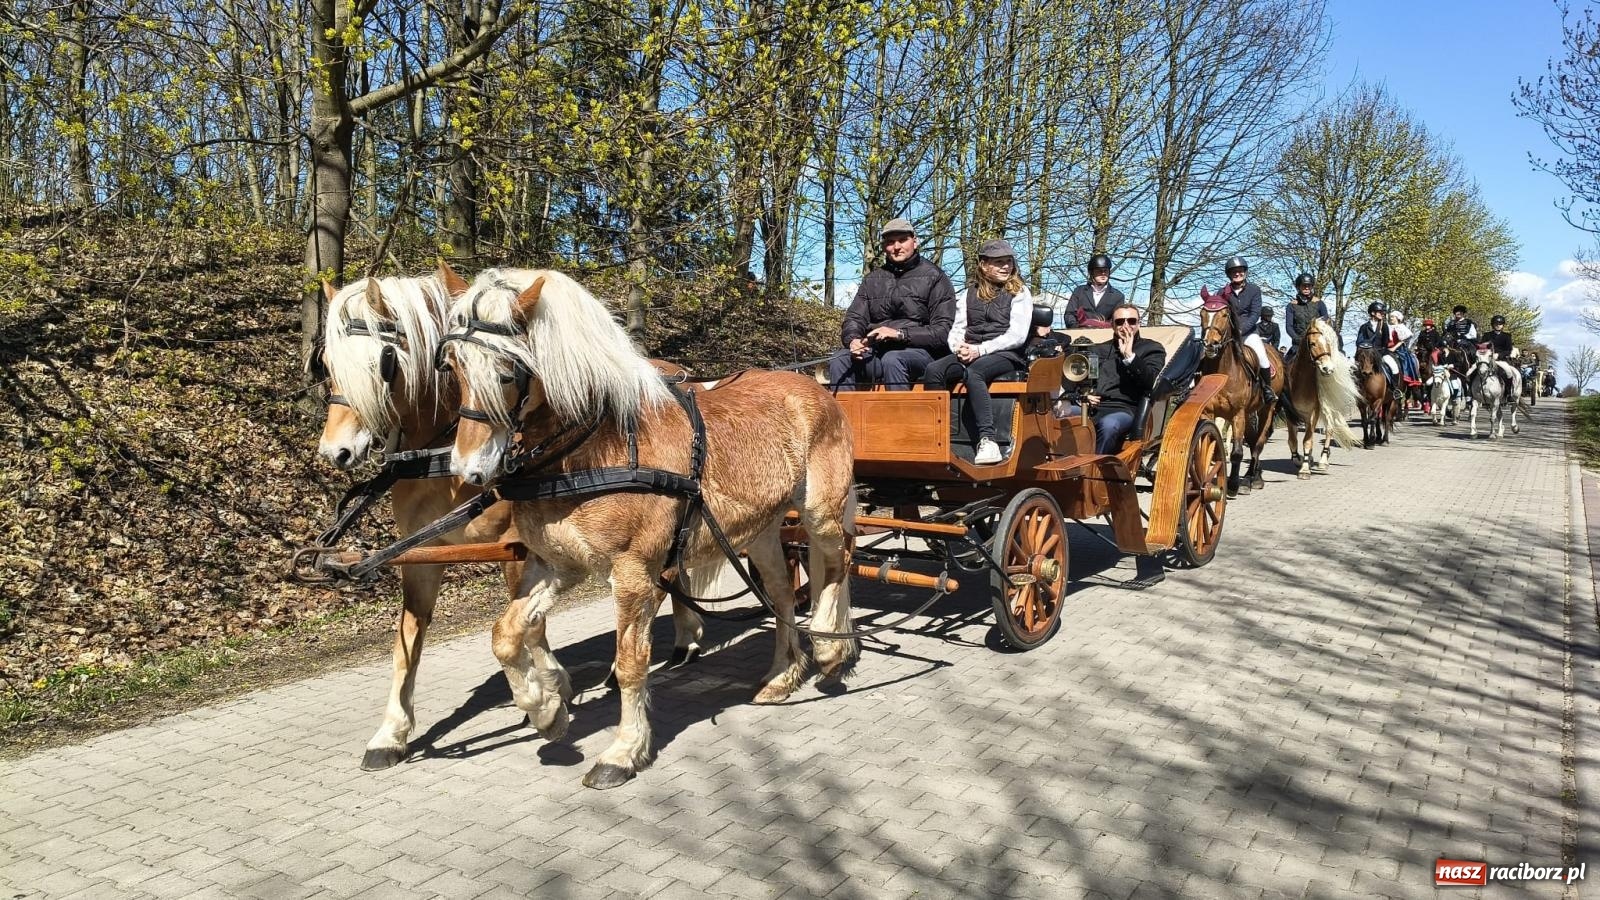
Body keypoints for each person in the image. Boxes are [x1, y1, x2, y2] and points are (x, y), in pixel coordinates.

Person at [923, 239, 1034, 465]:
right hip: (971, 349)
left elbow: (1017, 336)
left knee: (975, 373)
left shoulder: (1020, 293)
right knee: (933, 371)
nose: (1006, 267)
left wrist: (979, 350)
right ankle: (935, 435)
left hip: (1006, 354)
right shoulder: (967, 294)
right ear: (983, 265)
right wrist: (959, 348)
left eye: (1009, 262)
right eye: (999, 262)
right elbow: (957, 329)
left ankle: (988, 440)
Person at [829, 217, 957, 390]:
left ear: (915, 242)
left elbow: (943, 331)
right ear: (884, 247)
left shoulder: (936, 277)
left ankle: (900, 417)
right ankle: (846, 416)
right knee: (841, 359)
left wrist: (900, 334)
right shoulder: (872, 280)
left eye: (902, 240)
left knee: (894, 360)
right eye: (890, 242)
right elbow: (854, 318)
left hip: (922, 354)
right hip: (876, 353)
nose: (897, 247)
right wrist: (853, 341)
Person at [1057, 304, 1166, 454]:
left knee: (1109, 424)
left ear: (1139, 323)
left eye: (1131, 321)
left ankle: (1093, 469)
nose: (1126, 326)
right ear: (1113, 325)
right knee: (1054, 414)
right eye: (1120, 322)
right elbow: (1076, 377)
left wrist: (1129, 356)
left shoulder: (1152, 349)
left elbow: (1149, 381)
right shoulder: (1098, 349)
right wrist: (1081, 395)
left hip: (1125, 409)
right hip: (1091, 407)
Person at [1203, 256, 1275, 404]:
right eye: (1234, 271)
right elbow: (1218, 315)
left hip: (1248, 333)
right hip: (1227, 335)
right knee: (1205, 355)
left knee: (1262, 358)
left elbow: (1255, 314)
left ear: (1245, 272)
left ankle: (1267, 389)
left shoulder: (1254, 289)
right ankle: (1194, 386)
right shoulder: (1222, 292)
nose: (1237, 273)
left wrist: (1241, 330)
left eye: (1240, 271)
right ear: (1229, 274)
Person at [1063, 253, 1125, 327]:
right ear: (1091, 273)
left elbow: (1118, 319)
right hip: (1080, 334)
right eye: (1099, 271)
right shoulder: (1079, 292)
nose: (1103, 273)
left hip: (1106, 334)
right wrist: (1077, 328)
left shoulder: (1118, 296)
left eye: (1106, 271)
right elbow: (1069, 314)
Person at [1356, 301, 1402, 399]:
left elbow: (1385, 342)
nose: (1383, 314)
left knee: (1394, 366)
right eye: (1380, 312)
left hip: (1380, 352)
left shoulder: (1384, 326)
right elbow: (1359, 341)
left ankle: (1395, 389)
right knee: (1352, 368)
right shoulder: (1364, 327)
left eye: (1383, 313)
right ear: (1373, 313)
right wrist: (1365, 349)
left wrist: (1379, 352)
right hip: (1366, 354)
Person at [1284, 273, 1331, 355]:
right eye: (1304, 285)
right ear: (1298, 287)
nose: (1306, 288)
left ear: (1312, 287)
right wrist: (1298, 339)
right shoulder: (1291, 305)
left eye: (1309, 286)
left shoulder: (1319, 303)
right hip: (1298, 344)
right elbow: (1289, 327)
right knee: (1285, 364)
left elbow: (1326, 321)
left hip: (1317, 344)